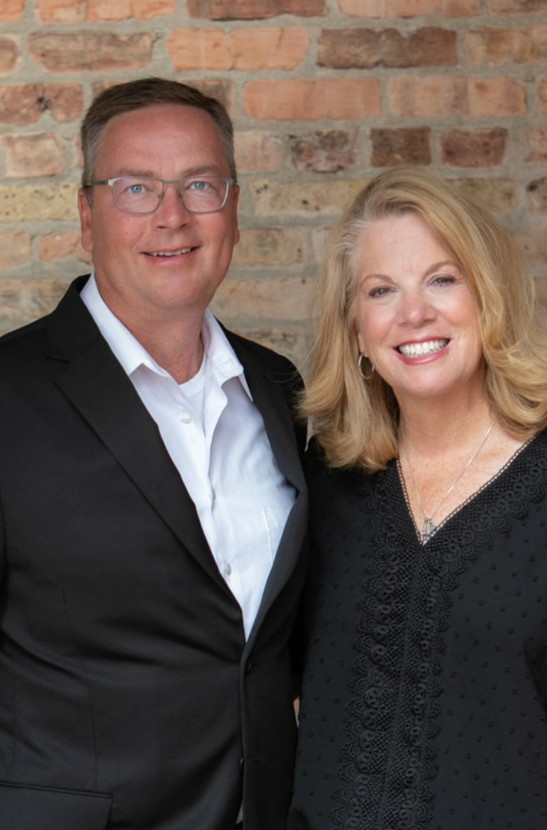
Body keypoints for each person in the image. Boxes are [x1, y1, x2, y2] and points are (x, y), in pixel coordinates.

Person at [0, 77, 308, 830]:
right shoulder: (8, 395)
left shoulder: (278, 388)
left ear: (233, 208)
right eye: (136, 187)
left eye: (199, 184)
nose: (172, 216)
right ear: (86, 215)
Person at [287, 166, 547, 830]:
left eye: (441, 278)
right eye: (381, 290)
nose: (413, 314)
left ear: (486, 296)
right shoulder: (324, 483)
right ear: (354, 330)